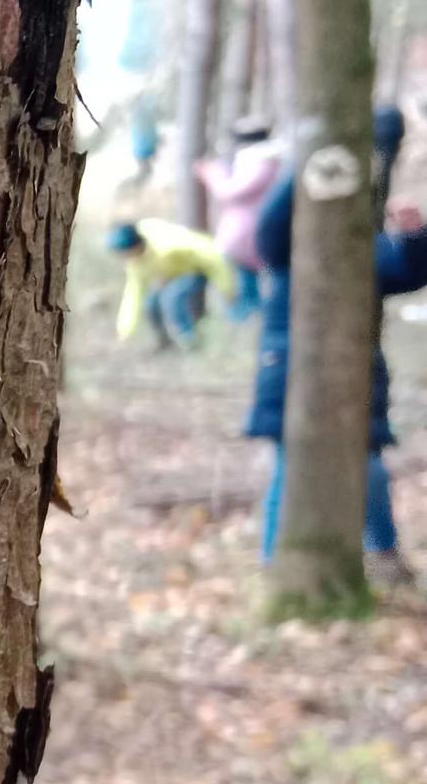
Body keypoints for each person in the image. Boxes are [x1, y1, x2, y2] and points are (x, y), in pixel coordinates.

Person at [248, 104, 427, 587]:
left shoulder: (356, 236)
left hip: (355, 364)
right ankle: (274, 561)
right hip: (291, 359)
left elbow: (399, 270)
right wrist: (313, 158)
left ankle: (383, 554)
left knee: (366, 461)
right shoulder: (296, 231)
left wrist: (413, 239)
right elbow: (265, 237)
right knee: (292, 461)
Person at [194, 117, 282, 319]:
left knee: (242, 285)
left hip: (248, 234)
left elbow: (230, 192)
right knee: (242, 282)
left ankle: (248, 320)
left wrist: (212, 173)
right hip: (245, 233)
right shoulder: (259, 160)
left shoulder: (263, 162)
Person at [109, 218, 237, 347]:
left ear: (133, 247)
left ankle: (189, 339)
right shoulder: (135, 262)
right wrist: (125, 329)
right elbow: (134, 292)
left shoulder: (169, 245)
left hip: (196, 269)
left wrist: (226, 288)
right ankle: (164, 341)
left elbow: (211, 256)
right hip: (169, 276)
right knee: (151, 304)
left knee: (173, 298)